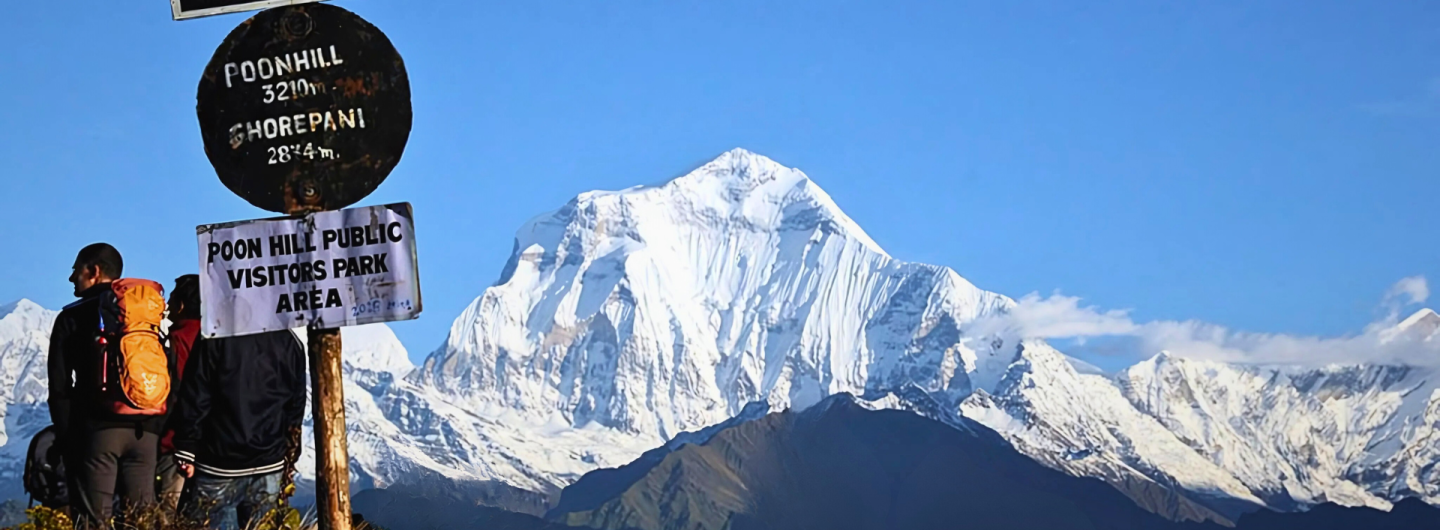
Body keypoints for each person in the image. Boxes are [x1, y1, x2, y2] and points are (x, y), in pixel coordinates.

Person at [47, 243, 163, 527]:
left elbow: (60, 387)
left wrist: (65, 439)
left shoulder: (71, 317)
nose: (72, 278)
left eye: (76, 270)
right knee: (141, 520)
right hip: (145, 432)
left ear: (94, 271)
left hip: (97, 431)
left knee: (93, 520)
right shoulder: (144, 316)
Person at [173, 327, 307, 530]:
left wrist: (187, 446)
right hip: (269, 462)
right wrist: (288, 451)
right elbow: (295, 404)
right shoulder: (289, 341)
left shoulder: (215, 334)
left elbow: (196, 395)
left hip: (219, 462)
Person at [157, 274, 202, 510]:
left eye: (172, 299)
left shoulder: (175, 340)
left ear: (181, 305)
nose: (166, 306)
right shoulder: (217, 339)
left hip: (174, 442)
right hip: (212, 444)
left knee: (167, 513)